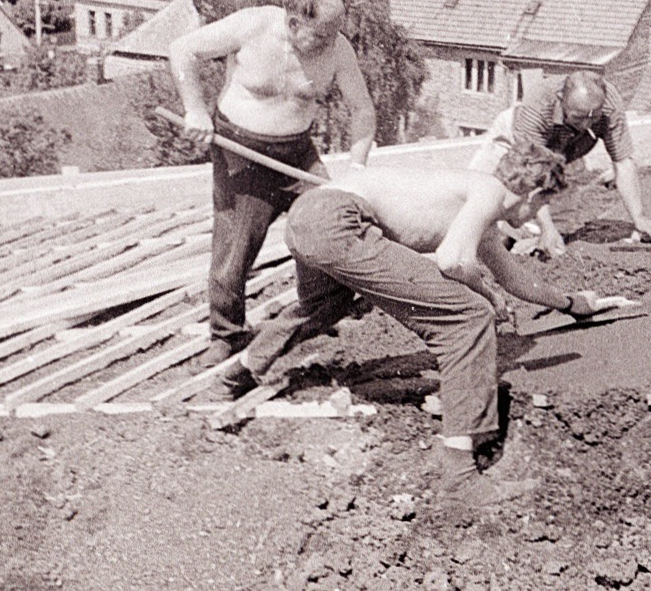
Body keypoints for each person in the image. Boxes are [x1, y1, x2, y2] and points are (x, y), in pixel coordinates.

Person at [223, 143, 629, 507]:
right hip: (340, 220)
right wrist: (486, 295)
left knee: (321, 308)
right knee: (467, 318)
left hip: (307, 216)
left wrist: (574, 304)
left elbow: (516, 279)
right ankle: (460, 478)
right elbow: (454, 260)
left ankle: (242, 369)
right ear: (535, 195)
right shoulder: (487, 191)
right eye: (541, 208)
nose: (534, 219)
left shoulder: (478, 210)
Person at [169, 0, 377, 362]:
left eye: (331, 36)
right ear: (293, 21)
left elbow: (362, 110)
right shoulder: (253, 25)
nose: (325, 44)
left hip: (297, 153)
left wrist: (357, 166)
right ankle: (226, 334)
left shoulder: (337, 48)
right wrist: (195, 109)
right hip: (240, 152)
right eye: (318, 36)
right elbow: (182, 49)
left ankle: (315, 315)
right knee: (236, 246)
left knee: (329, 224)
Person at [469, 70, 651, 257]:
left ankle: (518, 245)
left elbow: (623, 161)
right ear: (561, 99)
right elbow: (532, 173)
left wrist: (639, 218)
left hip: (565, 149)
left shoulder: (609, 103)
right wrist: (546, 228)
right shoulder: (538, 105)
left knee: (559, 225)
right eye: (579, 117)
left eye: (594, 118)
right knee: (482, 204)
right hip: (516, 145)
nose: (587, 125)